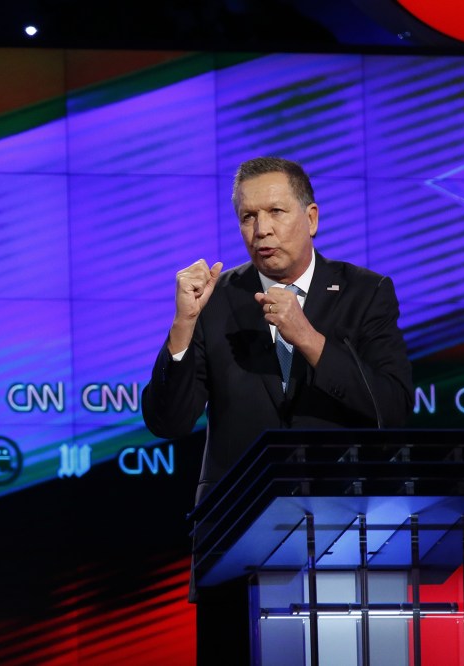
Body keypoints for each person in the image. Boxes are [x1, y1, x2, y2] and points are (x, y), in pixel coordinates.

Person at [141, 157, 413, 665]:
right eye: (247, 216)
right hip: (236, 544)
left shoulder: (365, 293)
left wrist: (309, 339)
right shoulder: (216, 300)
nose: (261, 229)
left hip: (347, 539)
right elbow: (168, 421)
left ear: (310, 218)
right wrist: (182, 325)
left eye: (275, 212)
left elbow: (392, 408)